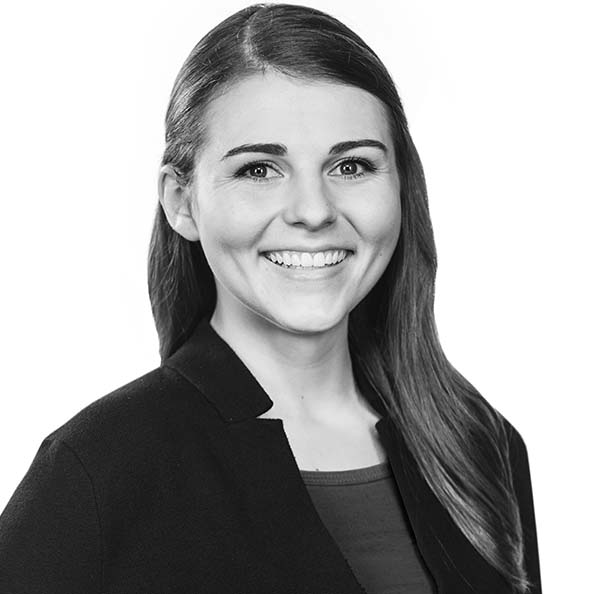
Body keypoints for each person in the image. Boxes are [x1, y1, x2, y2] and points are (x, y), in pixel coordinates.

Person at [0, 3, 542, 593]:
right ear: (181, 202)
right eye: (260, 170)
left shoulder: (477, 444)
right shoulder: (100, 470)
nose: (313, 211)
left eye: (352, 164)